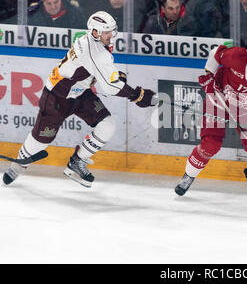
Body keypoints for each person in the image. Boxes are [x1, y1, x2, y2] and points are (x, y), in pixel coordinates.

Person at [2, 11, 157, 187]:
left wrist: (113, 76)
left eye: (112, 31)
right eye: (107, 32)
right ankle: (18, 165)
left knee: (107, 124)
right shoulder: (96, 52)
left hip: (81, 94)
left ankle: (77, 161)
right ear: (95, 32)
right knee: (41, 141)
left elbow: (99, 72)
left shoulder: (94, 44)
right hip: (56, 98)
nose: (111, 35)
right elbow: (110, 86)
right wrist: (138, 95)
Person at [174, 36, 247, 196]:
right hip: (219, 100)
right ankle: (188, 176)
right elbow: (215, 53)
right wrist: (209, 74)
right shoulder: (237, 56)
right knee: (210, 144)